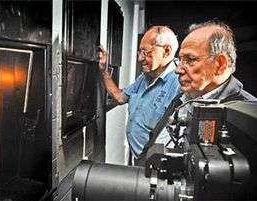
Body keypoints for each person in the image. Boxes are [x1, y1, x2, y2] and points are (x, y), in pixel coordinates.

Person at [151, 21, 257, 148]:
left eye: (190, 59)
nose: (177, 69)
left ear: (220, 65)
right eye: (180, 60)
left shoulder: (249, 121)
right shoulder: (184, 95)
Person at [98, 26, 180, 161]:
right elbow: (119, 97)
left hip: (157, 164)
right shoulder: (145, 77)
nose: (140, 58)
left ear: (166, 51)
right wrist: (103, 70)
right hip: (138, 157)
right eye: (139, 52)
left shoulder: (180, 83)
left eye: (146, 52)